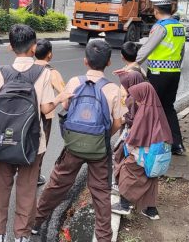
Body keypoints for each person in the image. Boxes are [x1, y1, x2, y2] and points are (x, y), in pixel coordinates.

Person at [32, 39, 126, 242]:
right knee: (101, 194)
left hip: (73, 146)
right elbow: (118, 123)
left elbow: (66, 107)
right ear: (109, 63)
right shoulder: (113, 90)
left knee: (57, 184)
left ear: (85, 61)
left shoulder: (74, 82)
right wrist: (103, 137)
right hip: (99, 150)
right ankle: (103, 238)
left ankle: (36, 222)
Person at [0, 25, 68, 242]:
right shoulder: (42, 73)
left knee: (2, 185)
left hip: (4, 140)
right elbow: (46, 109)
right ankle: (21, 235)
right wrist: (60, 98)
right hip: (32, 142)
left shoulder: (2, 72)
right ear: (33, 47)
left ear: (11, 48)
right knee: (27, 188)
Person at [111, 75, 173, 221]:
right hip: (156, 154)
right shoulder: (157, 109)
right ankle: (151, 210)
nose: (137, 100)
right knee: (150, 179)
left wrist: (127, 147)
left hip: (143, 153)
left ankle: (124, 205)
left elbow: (136, 136)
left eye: (138, 97)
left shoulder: (145, 111)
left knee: (126, 171)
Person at [134, 0, 186, 155]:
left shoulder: (160, 27)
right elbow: (182, 51)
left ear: (156, 10)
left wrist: (135, 63)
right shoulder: (179, 27)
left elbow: (148, 47)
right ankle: (177, 144)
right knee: (168, 107)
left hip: (158, 73)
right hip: (174, 73)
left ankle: (148, 142)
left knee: (151, 106)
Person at [34, 39, 67, 186]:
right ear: (50, 54)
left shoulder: (27, 67)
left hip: (26, 112)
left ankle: (24, 171)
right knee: (41, 145)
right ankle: (35, 175)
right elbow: (64, 94)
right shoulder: (52, 72)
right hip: (44, 114)